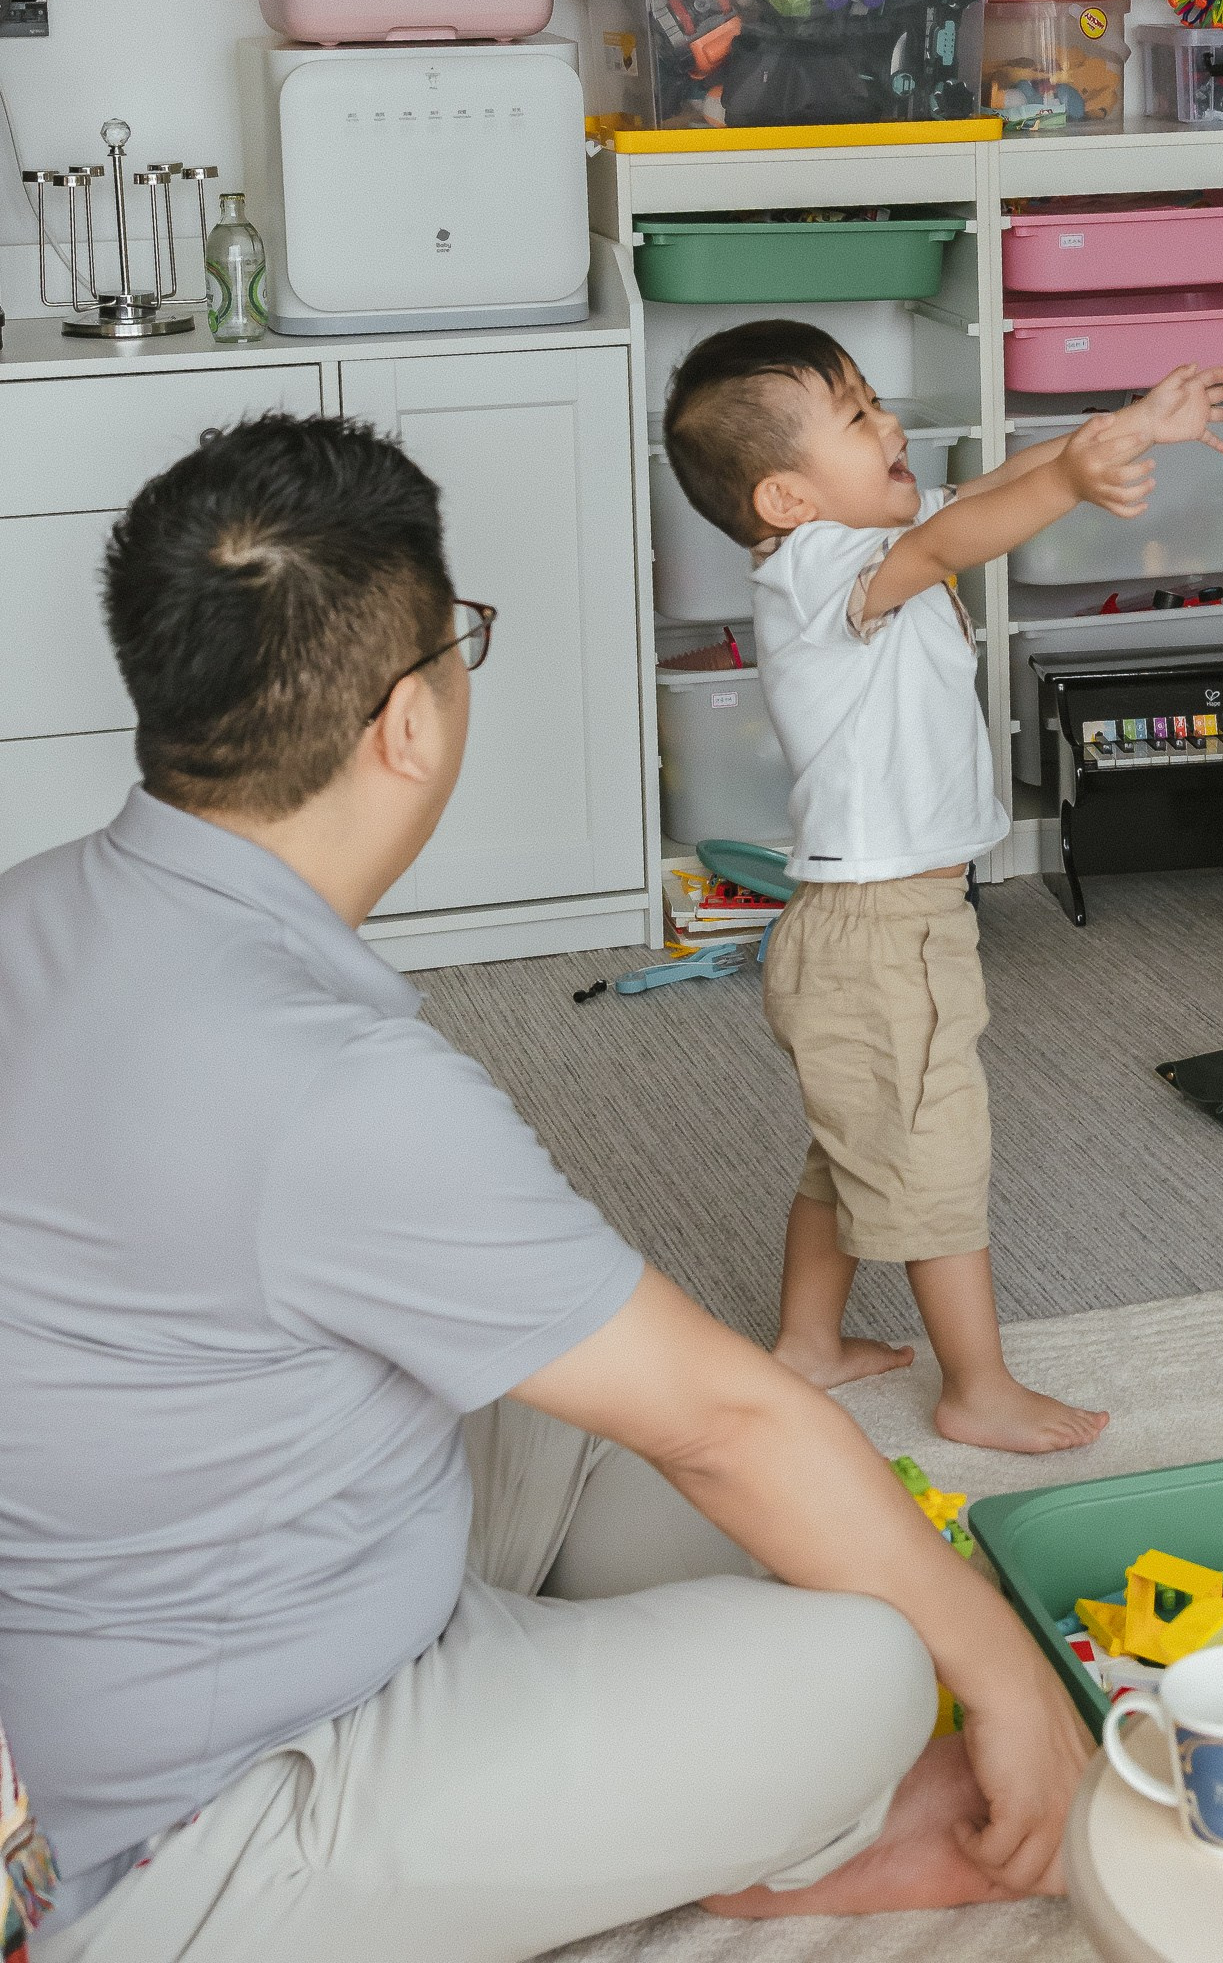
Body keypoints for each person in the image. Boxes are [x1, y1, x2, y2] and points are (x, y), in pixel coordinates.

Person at [0, 414, 1091, 1961]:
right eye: (460, 647)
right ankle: (759, 1839)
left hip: (233, 1566)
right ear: (408, 725)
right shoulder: (329, 1088)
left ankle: (630, 1755)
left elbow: (688, 1403)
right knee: (861, 1662)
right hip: (207, 1822)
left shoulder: (37, 909)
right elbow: (729, 1422)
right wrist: (1003, 1674)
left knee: (608, 1408)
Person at [663, 323, 1223, 1455]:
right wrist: (1073, 481)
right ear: (786, 498)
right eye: (857, 419)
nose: (891, 426)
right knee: (935, 1159)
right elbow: (956, 540)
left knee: (855, 1145)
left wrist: (1130, 429)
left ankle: (808, 1343)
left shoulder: (853, 543)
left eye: (879, 403)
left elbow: (988, 492)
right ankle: (976, 1386)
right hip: (879, 935)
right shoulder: (819, 566)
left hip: (880, 927)